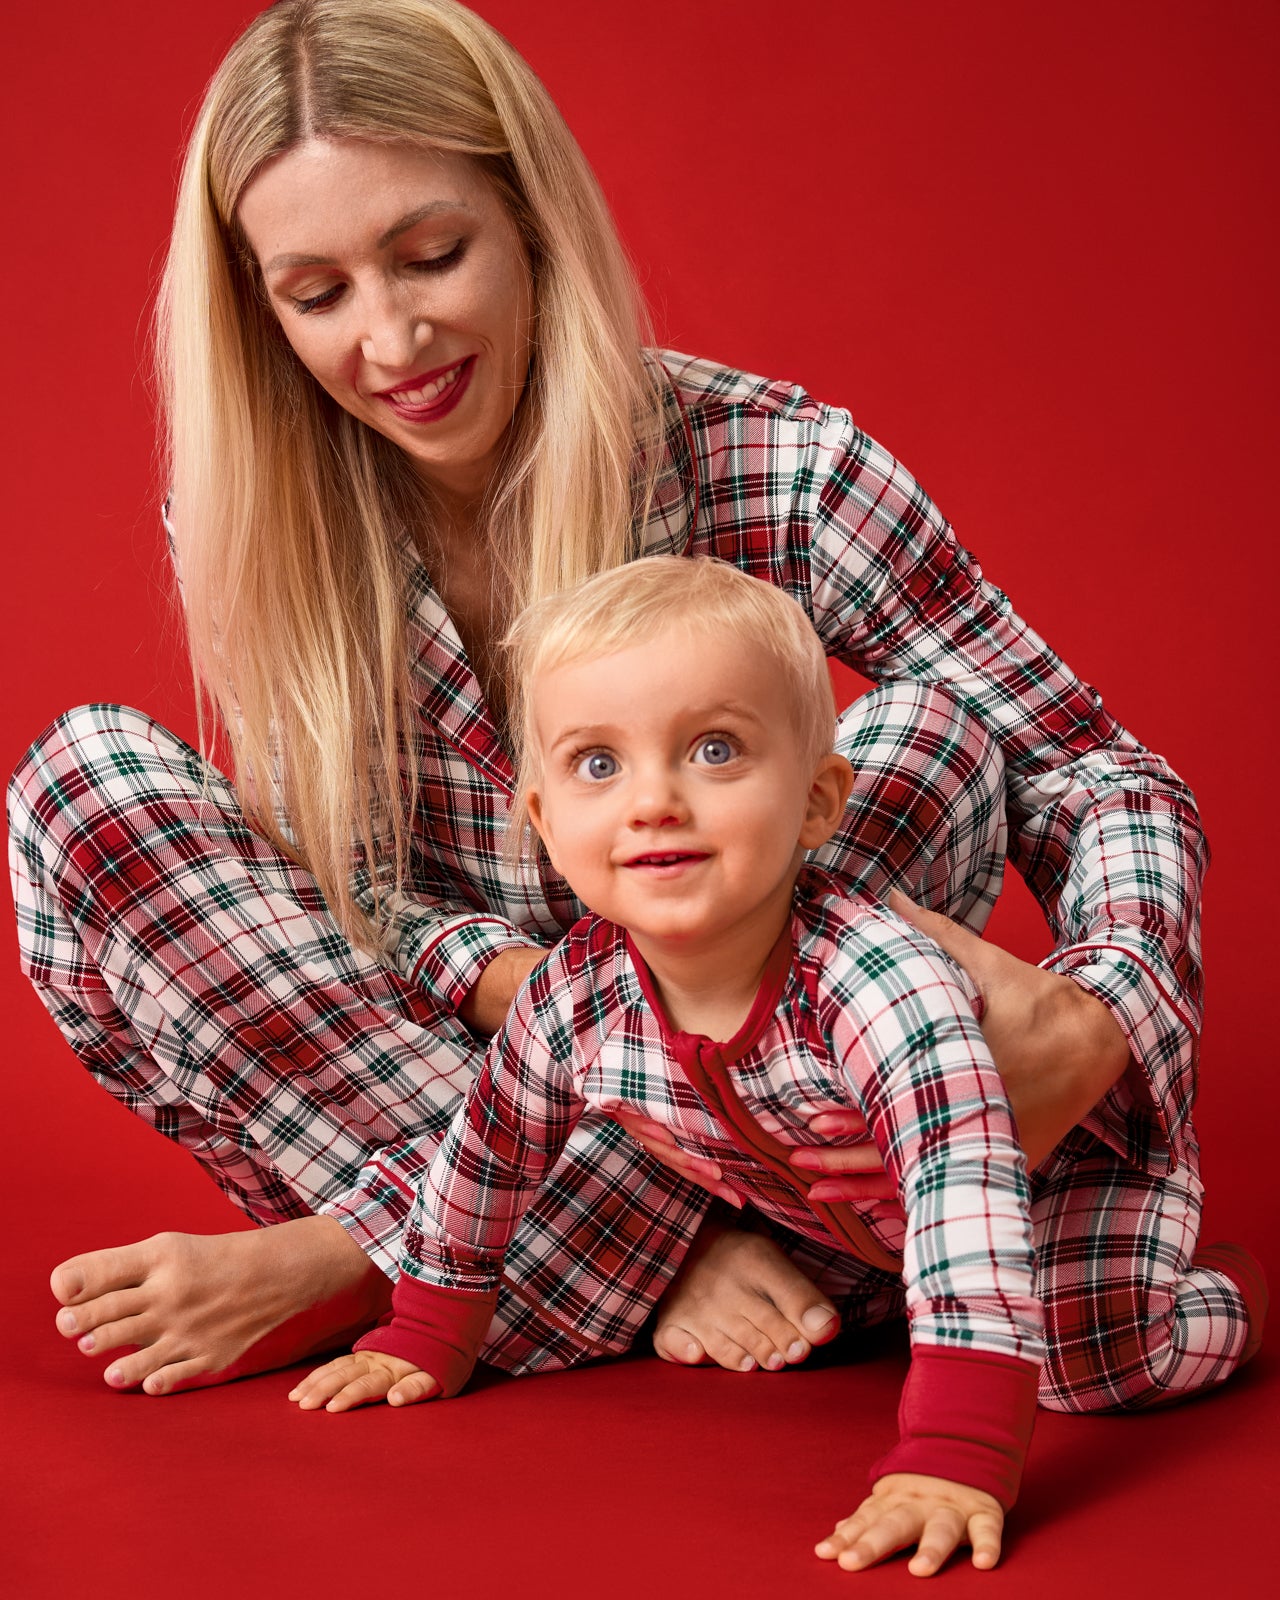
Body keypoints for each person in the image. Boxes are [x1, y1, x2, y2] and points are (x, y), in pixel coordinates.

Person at [5, 0, 1198, 1397]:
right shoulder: (254, 520)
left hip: (755, 1067)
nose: (391, 337)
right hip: (481, 1073)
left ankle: (369, 1262)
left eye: (431, 255)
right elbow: (352, 895)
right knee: (80, 786)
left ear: (529, 222)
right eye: (317, 294)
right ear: (260, 314)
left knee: (926, 748)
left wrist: (1100, 1018)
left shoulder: (778, 463)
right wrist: (563, 1011)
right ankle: (635, 1255)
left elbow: (1094, 777)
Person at [288, 557, 1262, 1577]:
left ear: (816, 802)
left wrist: (954, 1454)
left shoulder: (873, 980)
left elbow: (963, 1195)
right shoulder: (573, 993)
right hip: (850, 1225)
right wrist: (428, 1330)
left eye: (714, 750)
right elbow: (488, 1154)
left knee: (1095, 1361)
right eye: (597, 764)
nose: (653, 801)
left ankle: (1222, 1294)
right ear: (545, 823)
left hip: (1058, 1178)